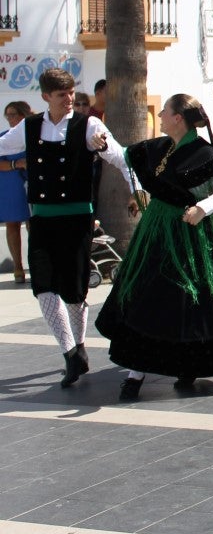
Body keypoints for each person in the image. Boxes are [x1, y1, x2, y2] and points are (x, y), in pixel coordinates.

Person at [97, 94, 213, 400]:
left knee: (190, 300)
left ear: (178, 118)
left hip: (189, 235)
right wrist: (104, 145)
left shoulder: (204, 153)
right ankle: (135, 373)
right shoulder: (159, 147)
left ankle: (188, 365)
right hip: (155, 232)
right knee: (145, 294)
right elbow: (125, 159)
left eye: (164, 112)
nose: (159, 115)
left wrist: (204, 207)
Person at [0, 70, 127, 388]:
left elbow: (121, 158)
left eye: (71, 93)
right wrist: (16, 164)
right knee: (43, 286)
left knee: (74, 290)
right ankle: (70, 352)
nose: (69, 99)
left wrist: (140, 188)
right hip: (41, 219)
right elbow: (2, 146)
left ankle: (80, 344)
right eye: (61, 94)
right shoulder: (28, 127)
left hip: (76, 220)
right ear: (46, 97)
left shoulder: (90, 126)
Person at [0, 101, 33, 285]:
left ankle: (34, 265)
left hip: (32, 184)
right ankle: (17, 267)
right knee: (12, 224)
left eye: (14, 114)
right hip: (10, 185)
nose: (11, 118)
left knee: (32, 225)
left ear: (23, 115)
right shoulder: (4, 138)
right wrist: (16, 164)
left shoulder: (33, 136)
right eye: (8, 115)